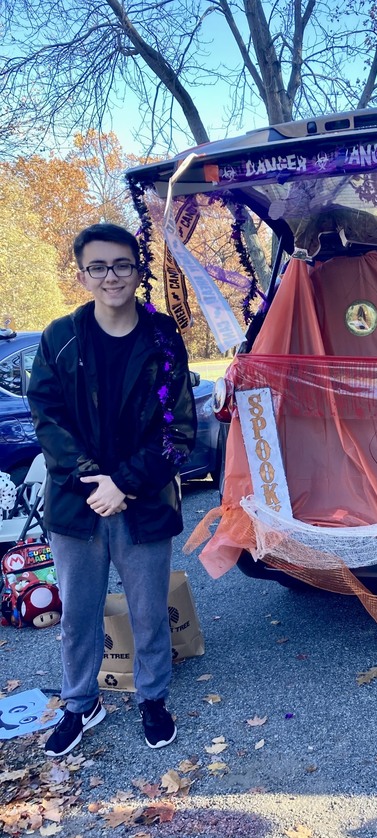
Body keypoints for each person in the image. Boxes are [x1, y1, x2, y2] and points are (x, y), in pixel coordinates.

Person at [28, 223, 197, 757]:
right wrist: (92, 480)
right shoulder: (60, 338)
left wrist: (122, 483)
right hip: (76, 505)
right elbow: (47, 418)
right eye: (98, 267)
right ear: (82, 274)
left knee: (148, 612)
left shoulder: (163, 340)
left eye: (122, 264)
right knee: (78, 613)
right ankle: (80, 705)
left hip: (142, 502)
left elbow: (179, 431)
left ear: (137, 269)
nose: (111, 276)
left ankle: (152, 698)